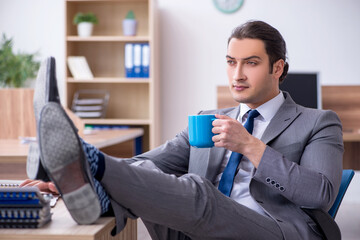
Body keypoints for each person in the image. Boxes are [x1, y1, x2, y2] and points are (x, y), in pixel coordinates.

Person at [22, 20, 343, 239]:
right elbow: (144, 165)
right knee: (149, 170)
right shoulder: (208, 118)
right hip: (191, 230)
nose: (238, 74)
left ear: (278, 67)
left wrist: (251, 146)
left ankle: (86, 162)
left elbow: (321, 193)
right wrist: (62, 180)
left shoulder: (317, 121)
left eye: (251, 62)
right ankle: (86, 183)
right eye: (231, 62)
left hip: (274, 230)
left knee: (199, 191)